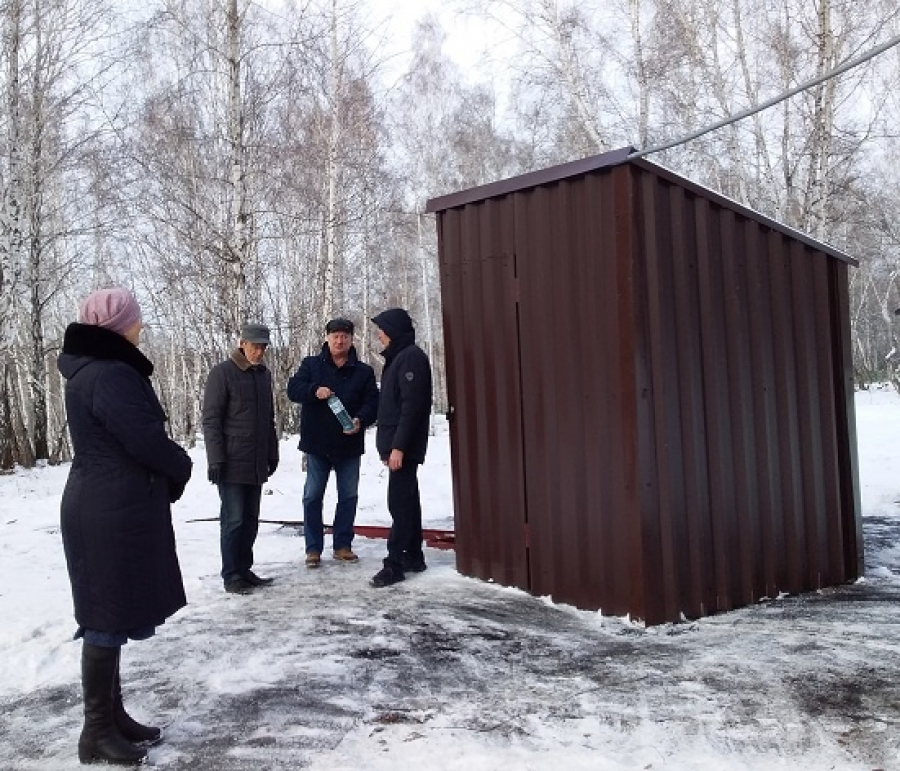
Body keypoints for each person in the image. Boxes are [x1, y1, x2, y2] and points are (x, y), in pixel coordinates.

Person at [58, 287, 193, 765]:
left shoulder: (96, 370)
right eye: (136, 320)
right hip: (108, 506)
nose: (141, 326)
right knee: (105, 617)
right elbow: (142, 438)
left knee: (109, 612)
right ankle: (95, 731)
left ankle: (111, 716)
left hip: (107, 501)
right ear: (119, 326)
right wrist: (180, 466)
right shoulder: (110, 374)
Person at [287, 318, 379, 567]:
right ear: (327, 338)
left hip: (349, 446)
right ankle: (313, 548)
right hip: (317, 445)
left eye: (345, 337)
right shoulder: (311, 365)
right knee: (312, 496)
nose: (340, 341)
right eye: (336, 336)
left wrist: (361, 419)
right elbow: (293, 389)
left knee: (348, 496)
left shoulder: (363, 372)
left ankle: (342, 545)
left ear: (351, 339)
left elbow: (373, 403)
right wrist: (314, 390)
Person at [202, 323, 279, 594]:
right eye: (255, 346)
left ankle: (244, 569)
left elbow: (268, 419)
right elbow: (211, 420)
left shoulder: (263, 375)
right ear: (242, 343)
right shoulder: (222, 373)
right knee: (233, 520)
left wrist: (272, 452)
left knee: (250, 519)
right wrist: (216, 459)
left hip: (256, 461)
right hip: (232, 462)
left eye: (263, 347)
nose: (259, 351)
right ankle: (231, 574)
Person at [369, 308, 433, 588]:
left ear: (393, 330)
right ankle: (414, 555)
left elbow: (412, 408)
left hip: (403, 448)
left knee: (399, 503)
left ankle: (394, 563)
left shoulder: (410, 358)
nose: (378, 334)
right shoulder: (399, 358)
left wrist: (398, 447)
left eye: (381, 329)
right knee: (408, 500)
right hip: (398, 447)